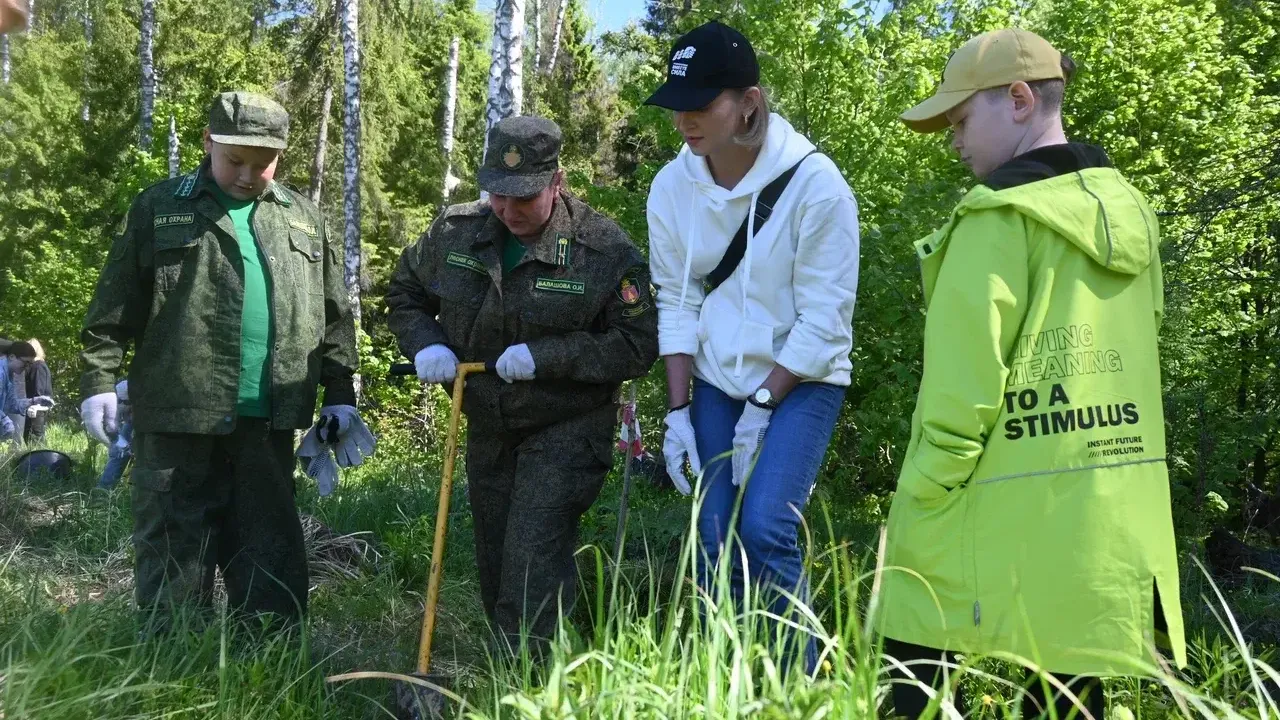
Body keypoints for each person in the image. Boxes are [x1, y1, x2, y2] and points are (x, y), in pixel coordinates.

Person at [880, 28, 1186, 718]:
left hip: (980, 505)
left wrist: (920, 498)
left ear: (1018, 99)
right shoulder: (1131, 214)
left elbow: (962, 392)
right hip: (1094, 515)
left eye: (960, 120)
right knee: (1068, 698)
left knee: (914, 669)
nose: (954, 141)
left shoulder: (993, 221)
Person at [79, 91, 367, 629]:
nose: (247, 175)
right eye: (235, 160)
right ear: (208, 142)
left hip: (268, 421)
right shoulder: (159, 206)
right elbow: (114, 303)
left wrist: (342, 396)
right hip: (177, 417)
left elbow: (334, 316)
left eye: (263, 164)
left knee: (271, 561)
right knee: (173, 556)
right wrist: (99, 379)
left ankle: (269, 675)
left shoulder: (303, 218)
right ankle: (172, 677)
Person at [385, 116, 659, 656]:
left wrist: (548, 356)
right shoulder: (456, 231)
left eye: (524, 198)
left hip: (566, 426)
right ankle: (511, 670)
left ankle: (532, 683)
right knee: (495, 554)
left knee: (532, 553)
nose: (508, 211)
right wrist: (426, 344)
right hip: (488, 422)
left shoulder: (601, 249)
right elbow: (405, 294)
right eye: (498, 195)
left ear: (555, 182)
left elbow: (638, 343)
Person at [643, 21, 860, 672]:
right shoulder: (670, 189)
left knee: (764, 527)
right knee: (712, 536)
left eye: (702, 102)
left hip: (804, 378)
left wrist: (763, 404)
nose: (685, 119)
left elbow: (824, 322)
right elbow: (677, 301)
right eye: (678, 103)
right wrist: (679, 411)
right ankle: (730, 683)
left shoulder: (818, 188)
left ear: (749, 103)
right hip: (713, 379)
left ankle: (804, 685)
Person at [2, 341, 54, 449]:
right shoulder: (0, 373)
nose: (26, 367)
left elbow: (12, 404)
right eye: (25, 362)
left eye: (29, 364)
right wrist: (4, 420)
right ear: (12, 357)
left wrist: (34, 401)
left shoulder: (10, 375)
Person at [97, 379, 133, 490]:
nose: (122, 404)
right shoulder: (114, 404)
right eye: (120, 401)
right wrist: (122, 445)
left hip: (146, 423)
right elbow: (112, 428)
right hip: (129, 423)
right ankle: (105, 488)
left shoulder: (145, 402)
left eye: (126, 402)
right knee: (117, 452)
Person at [23, 339, 53, 445]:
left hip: (36, 408)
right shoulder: (35, 366)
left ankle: (39, 461)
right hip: (34, 406)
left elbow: (39, 389)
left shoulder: (38, 366)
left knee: (35, 440)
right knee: (31, 439)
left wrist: (35, 405)